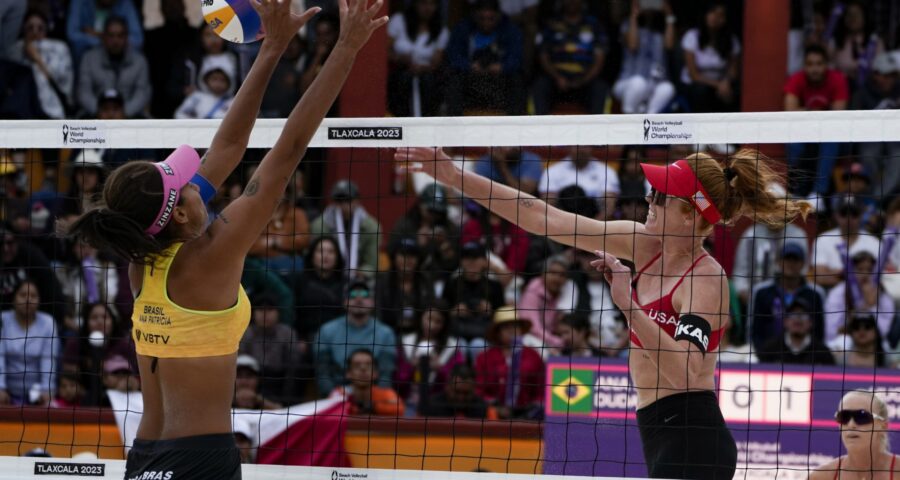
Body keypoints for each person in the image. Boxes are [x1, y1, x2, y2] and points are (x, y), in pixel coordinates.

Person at [64, 1, 386, 477]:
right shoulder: (212, 254)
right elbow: (289, 149)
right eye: (184, 185)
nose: (195, 182)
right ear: (175, 215)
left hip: (146, 458)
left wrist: (272, 48)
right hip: (199, 462)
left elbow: (229, 147)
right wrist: (346, 47)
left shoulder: (143, 256)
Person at [396, 142, 810, 478]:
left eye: (661, 195)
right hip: (658, 431)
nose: (648, 198)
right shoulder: (643, 243)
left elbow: (684, 372)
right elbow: (542, 217)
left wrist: (628, 306)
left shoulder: (706, 281)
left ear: (690, 214)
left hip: (693, 438)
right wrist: (454, 176)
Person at [810, 390, 900, 479]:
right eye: (844, 417)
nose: (851, 424)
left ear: (883, 426)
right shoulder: (822, 476)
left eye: (862, 416)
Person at [330, 349, 404, 416]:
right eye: (357, 365)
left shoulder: (387, 393)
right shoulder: (339, 393)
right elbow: (333, 411)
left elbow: (399, 409)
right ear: (348, 373)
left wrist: (374, 407)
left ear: (376, 373)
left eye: (368, 365)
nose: (363, 369)